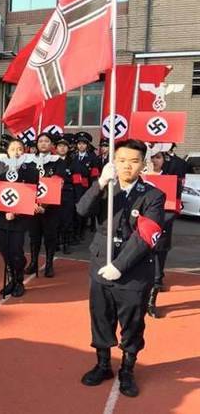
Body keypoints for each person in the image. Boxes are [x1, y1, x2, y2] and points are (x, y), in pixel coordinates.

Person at [77, 139, 165, 398]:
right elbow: (81, 211)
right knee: (101, 317)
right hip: (100, 264)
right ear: (113, 161)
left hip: (133, 271)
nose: (127, 166)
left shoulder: (153, 195)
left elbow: (146, 236)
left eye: (134, 161)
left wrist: (119, 266)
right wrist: (100, 184)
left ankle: (127, 369)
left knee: (133, 322)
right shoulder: (106, 188)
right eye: (122, 160)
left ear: (143, 164)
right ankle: (103, 365)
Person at [0, 138, 38, 297]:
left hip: (20, 218)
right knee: (5, 251)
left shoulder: (30, 170)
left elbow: (30, 194)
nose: (16, 152)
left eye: (19, 149)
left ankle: (19, 281)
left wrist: (16, 212)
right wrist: (5, 211)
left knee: (16, 251)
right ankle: (11, 278)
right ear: (7, 152)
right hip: (1, 217)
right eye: (13, 149)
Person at [25, 133, 67, 277]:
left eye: (46, 141)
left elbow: (57, 184)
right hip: (32, 207)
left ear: (51, 145)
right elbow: (24, 184)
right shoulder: (29, 161)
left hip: (51, 207)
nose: (43, 143)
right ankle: (33, 262)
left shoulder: (58, 161)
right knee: (33, 236)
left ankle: (49, 264)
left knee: (50, 236)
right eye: (40, 141)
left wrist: (44, 205)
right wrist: (32, 204)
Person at [145, 151, 179, 318]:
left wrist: (158, 222)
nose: (154, 161)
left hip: (161, 229)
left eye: (157, 157)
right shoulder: (141, 179)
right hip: (141, 230)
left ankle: (151, 302)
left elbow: (175, 207)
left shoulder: (171, 180)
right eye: (151, 157)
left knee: (157, 269)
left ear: (163, 160)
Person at [71, 132, 94, 243]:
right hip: (73, 188)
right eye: (79, 143)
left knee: (83, 211)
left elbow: (94, 175)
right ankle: (74, 233)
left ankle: (81, 232)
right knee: (73, 212)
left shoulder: (92, 158)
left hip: (86, 188)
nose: (81, 146)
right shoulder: (72, 156)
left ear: (87, 145)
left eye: (84, 144)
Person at [55, 135, 75, 255]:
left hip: (67, 192)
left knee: (67, 220)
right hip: (54, 193)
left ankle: (66, 243)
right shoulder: (52, 161)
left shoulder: (73, 161)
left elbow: (77, 180)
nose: (62, 148)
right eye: (60, 146)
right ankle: (56, 242)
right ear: (56, 148)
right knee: (55, 219)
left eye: (64, 146)